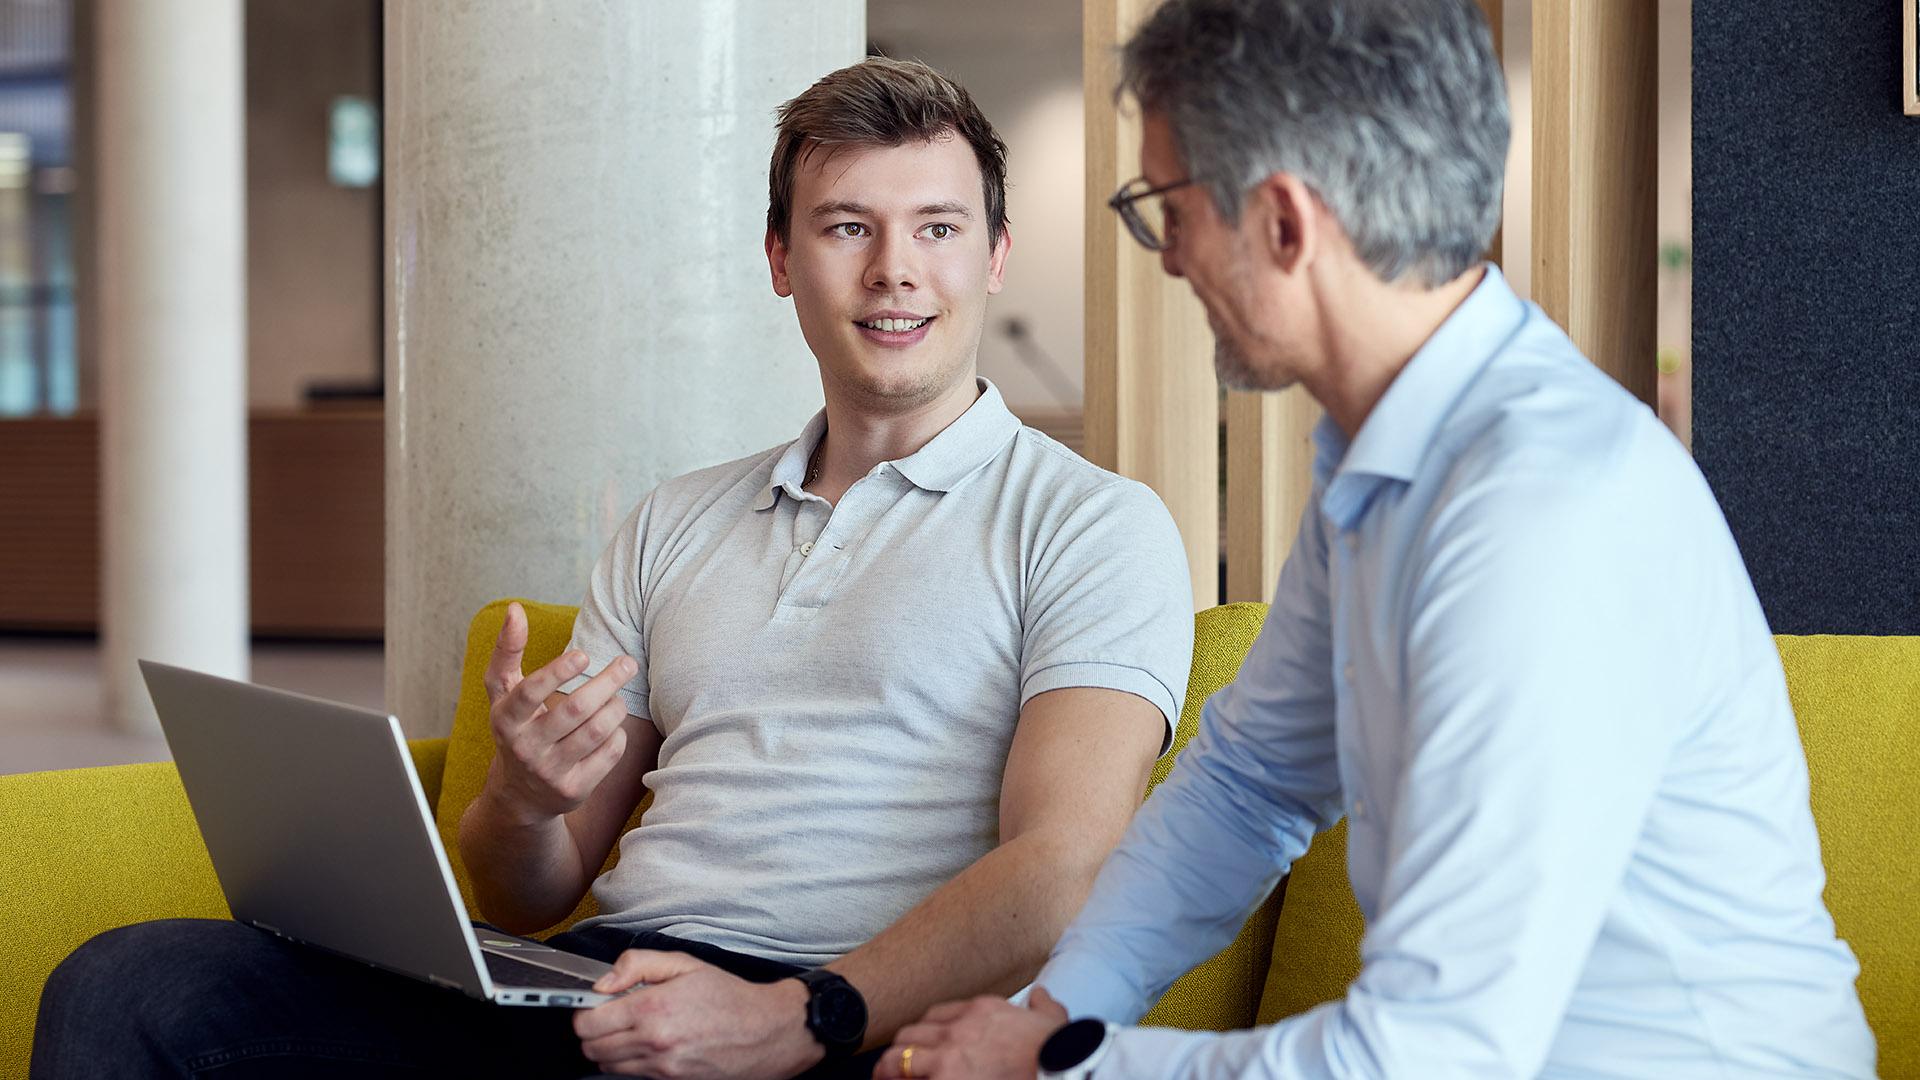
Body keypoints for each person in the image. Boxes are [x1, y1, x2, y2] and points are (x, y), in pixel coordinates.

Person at [30, 58, 1194, 1080]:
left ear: (994, 257)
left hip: (851, 1014)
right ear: (782, 260)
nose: (896, 270)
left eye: (937, 228)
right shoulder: (676, 520)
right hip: (603, 988)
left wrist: (798, 1016)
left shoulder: (1091, 524)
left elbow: (1065, 868)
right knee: (132, 983)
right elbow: (528, 890)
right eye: (847, 227)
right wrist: (524, 799)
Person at [875, 1, 1878, 1076]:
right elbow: (1249, 784)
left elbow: (1432, 1052)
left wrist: (1053, 1067)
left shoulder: (1539, 512)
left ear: (1287, 224)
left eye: (1171, 208)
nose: (1168, 261)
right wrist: (1052, 1012)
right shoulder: (1389, 453)